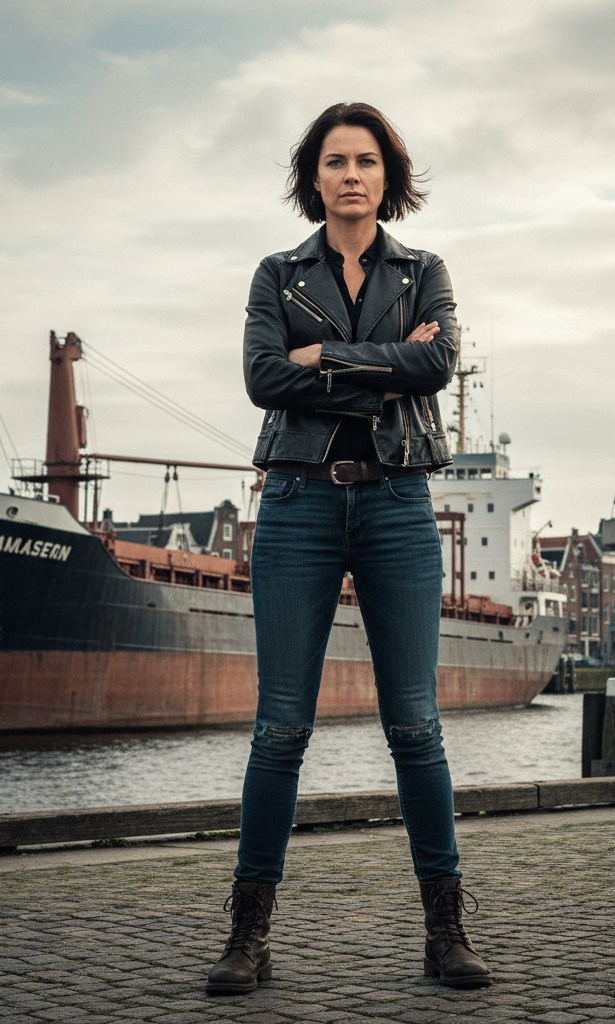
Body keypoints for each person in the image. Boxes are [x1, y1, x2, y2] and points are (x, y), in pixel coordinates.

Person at [205, 102, 490, 995]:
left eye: (367, 160)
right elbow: (261, 380)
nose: (352, 175)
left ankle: (446, 931)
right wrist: (378, 363)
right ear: (314, 177)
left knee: (416, 727)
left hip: (400, 506)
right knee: (280, 729)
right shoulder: (275, 272)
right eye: (335, 161)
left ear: (388, 178)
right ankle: (247, 937)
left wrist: (322, 355)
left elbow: (437, 366)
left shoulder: (426, 270)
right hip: (296, 505)